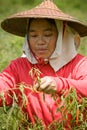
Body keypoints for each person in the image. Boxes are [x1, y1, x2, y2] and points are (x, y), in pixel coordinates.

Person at [0, 0, 87, 129]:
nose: (40, 41)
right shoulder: (18, 67)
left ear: (61, 37)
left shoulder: (79, 64)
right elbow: (3, 87)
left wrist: (60, 84)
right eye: (34, 35)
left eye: (47, 35)